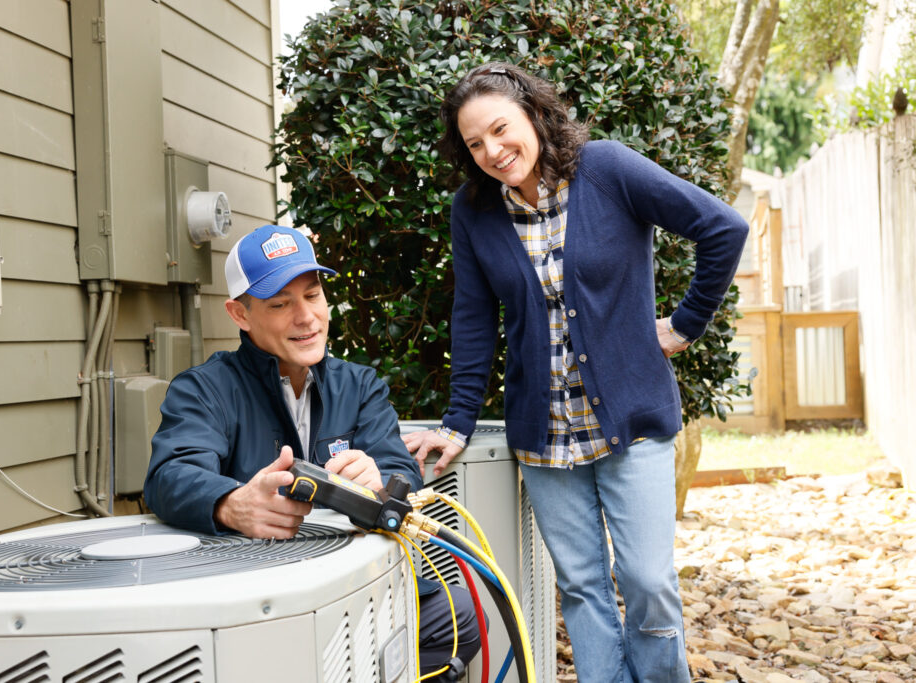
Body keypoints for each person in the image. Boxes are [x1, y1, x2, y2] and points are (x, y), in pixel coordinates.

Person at [403, 62, 749, 683]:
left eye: (501, 129)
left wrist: (685, 323)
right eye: (474, 143)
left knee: (646, 579)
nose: (492, 151)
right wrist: (456, 423)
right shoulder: (474, 210)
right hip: (545, 431)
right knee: (584, 587)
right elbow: (475, 316)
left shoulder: (609, 169)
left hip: (633, 419)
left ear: (535, 114)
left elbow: (722, 226)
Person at [143, 225, 479, 681]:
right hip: (259, 603)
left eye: (313, 295)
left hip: (358, 588)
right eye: (280, 304)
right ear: (239, 314)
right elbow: (169, 476)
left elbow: (402, 467)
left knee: (457, 617)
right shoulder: (204, 389)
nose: (307, 318)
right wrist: (231, 504)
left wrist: (380, 479)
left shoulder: (359, 385)